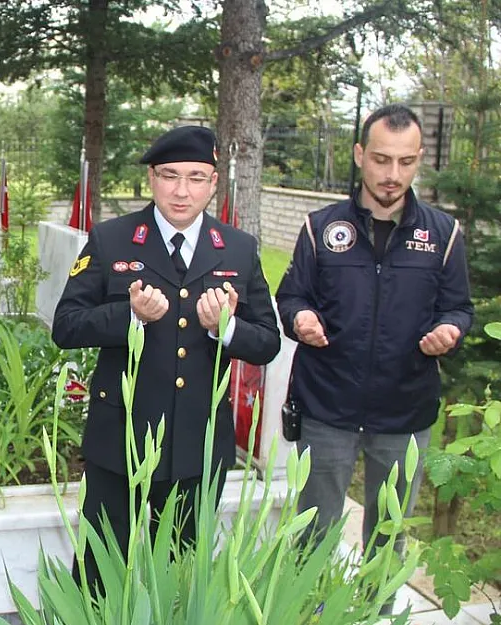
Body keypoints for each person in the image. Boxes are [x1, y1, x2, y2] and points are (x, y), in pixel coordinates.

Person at [52, 125, 281, 585]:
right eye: (170, 176)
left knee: (178, 577)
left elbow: (268, 341)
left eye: (196, 177)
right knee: (100, 570)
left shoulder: (237, 248)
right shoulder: (112, 239)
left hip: (197, 444)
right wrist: (129, 316)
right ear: (152, 179)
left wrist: (225, 327)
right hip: (120, 440)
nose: (181, 191)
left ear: (214, 183)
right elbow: (66, 326)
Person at [276, 104, 473, 595]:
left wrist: (449, 331)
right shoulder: (319, 228)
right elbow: (291, 296)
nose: (392, 174)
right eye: (382, 160)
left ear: (419, 159)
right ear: (360, 154)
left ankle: (374, 610)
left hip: (404, 410)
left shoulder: (444, 236)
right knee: (313, 532)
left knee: (389, 536)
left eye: (406, 162)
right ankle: (309, 608)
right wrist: (299, 319)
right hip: (326, 407)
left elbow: (458, 308)